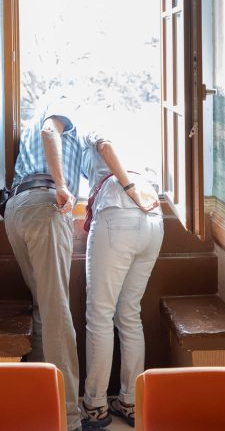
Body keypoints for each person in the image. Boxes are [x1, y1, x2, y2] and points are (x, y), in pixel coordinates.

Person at [3, 96, 84, 431]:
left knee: (42, 308)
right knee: (55, 310)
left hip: (16, 208)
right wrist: (63, 187)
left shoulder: (33, 122)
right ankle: (67, 418)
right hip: (43, 205)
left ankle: (42, 409)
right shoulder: (61, 110)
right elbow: (50, 133)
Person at [80, 128, 164, 429]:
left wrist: (129, 189)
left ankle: (95, 406)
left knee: (100, 315)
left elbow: (105, 146)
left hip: (120, 210)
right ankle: (130, 401)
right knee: (129, 313)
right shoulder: (144, 135)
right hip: (153, 221)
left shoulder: (98, 119)